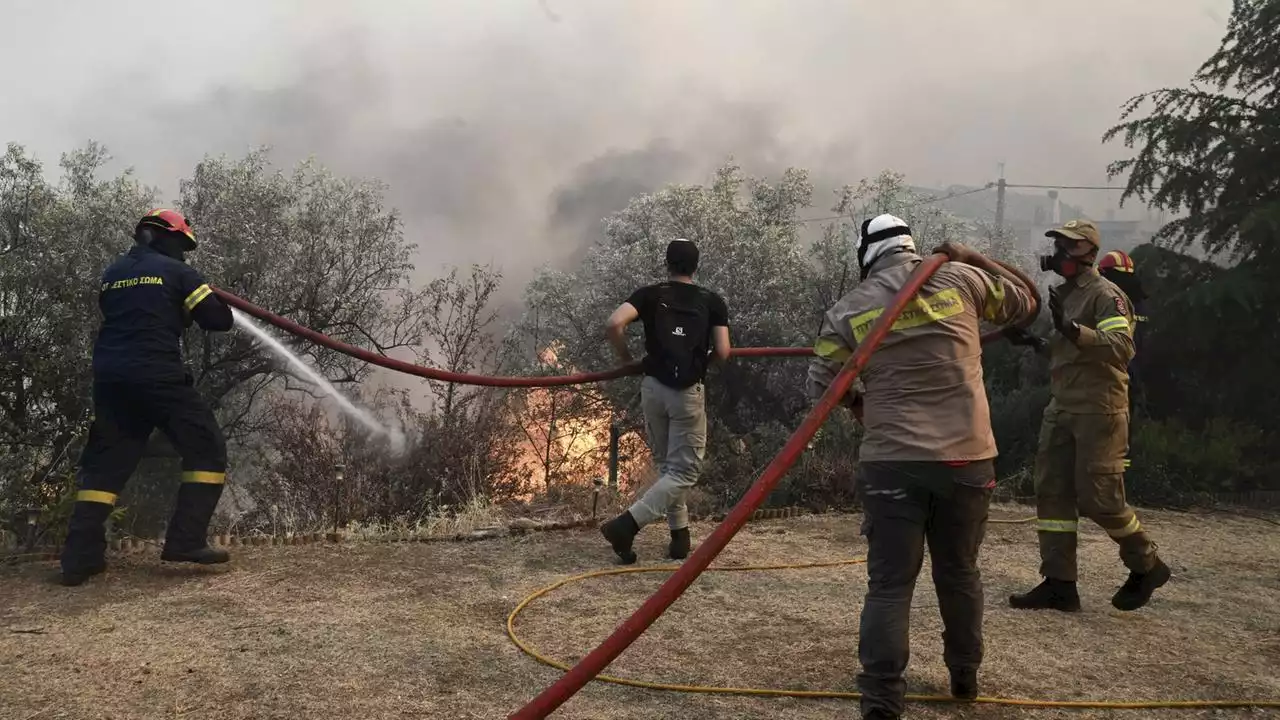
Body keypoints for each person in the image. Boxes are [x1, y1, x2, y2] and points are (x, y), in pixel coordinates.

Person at [807, 214, 1038, 720]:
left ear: (865, 255)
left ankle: (882, 699)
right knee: (959, 572)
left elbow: (823, 381)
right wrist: (974, 257)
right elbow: (1027, 303)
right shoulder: (963, 279)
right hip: (968, 459)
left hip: (893, 462)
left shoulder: (848, 310)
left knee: (890, 584)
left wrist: (859, 406)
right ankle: (964, 674)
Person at [60, 209, 235, 587]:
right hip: (157, 375)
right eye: (181, 244)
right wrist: (205, 299)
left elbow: (138, 312)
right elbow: (218, 321)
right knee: (206, 449)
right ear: (158, 236)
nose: (184, 254)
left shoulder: (113, 273)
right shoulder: (179, 273)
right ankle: (186, 540)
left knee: (106, 466)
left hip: (110, 380)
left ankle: (79, 559)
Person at [1009, 220, 1170, 614]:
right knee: (1053, 493)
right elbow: (1070, 353)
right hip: (1062, 407)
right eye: (1058, 245)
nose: (1059, 252)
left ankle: (1147, 564)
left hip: (1099, 410)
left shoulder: (1106, 295)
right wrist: (1038, 342)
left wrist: (1071, 327)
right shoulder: (1064, 294)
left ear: (1088, 252)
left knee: (1100, 500)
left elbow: (1120, 348)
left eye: (1067, 245)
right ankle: (1060, 584)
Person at [599, 238, 730, 564]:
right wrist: (702, 364)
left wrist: (627, 359)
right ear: (695, 266)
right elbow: (724, 352)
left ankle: (680, 537)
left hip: (653, 388)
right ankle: (625, 526)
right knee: (683, 472)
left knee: (667, 467)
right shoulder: (712, 301)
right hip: (687, 392)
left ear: (667, 264)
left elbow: (615, 323)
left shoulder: (650, 294)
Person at [1098, 249, 1149, 440]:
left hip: (1116, 380)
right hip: (1135, 377)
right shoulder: (1140, 304)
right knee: (1124, 436)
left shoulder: (1116, 303)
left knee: (1109, 440)